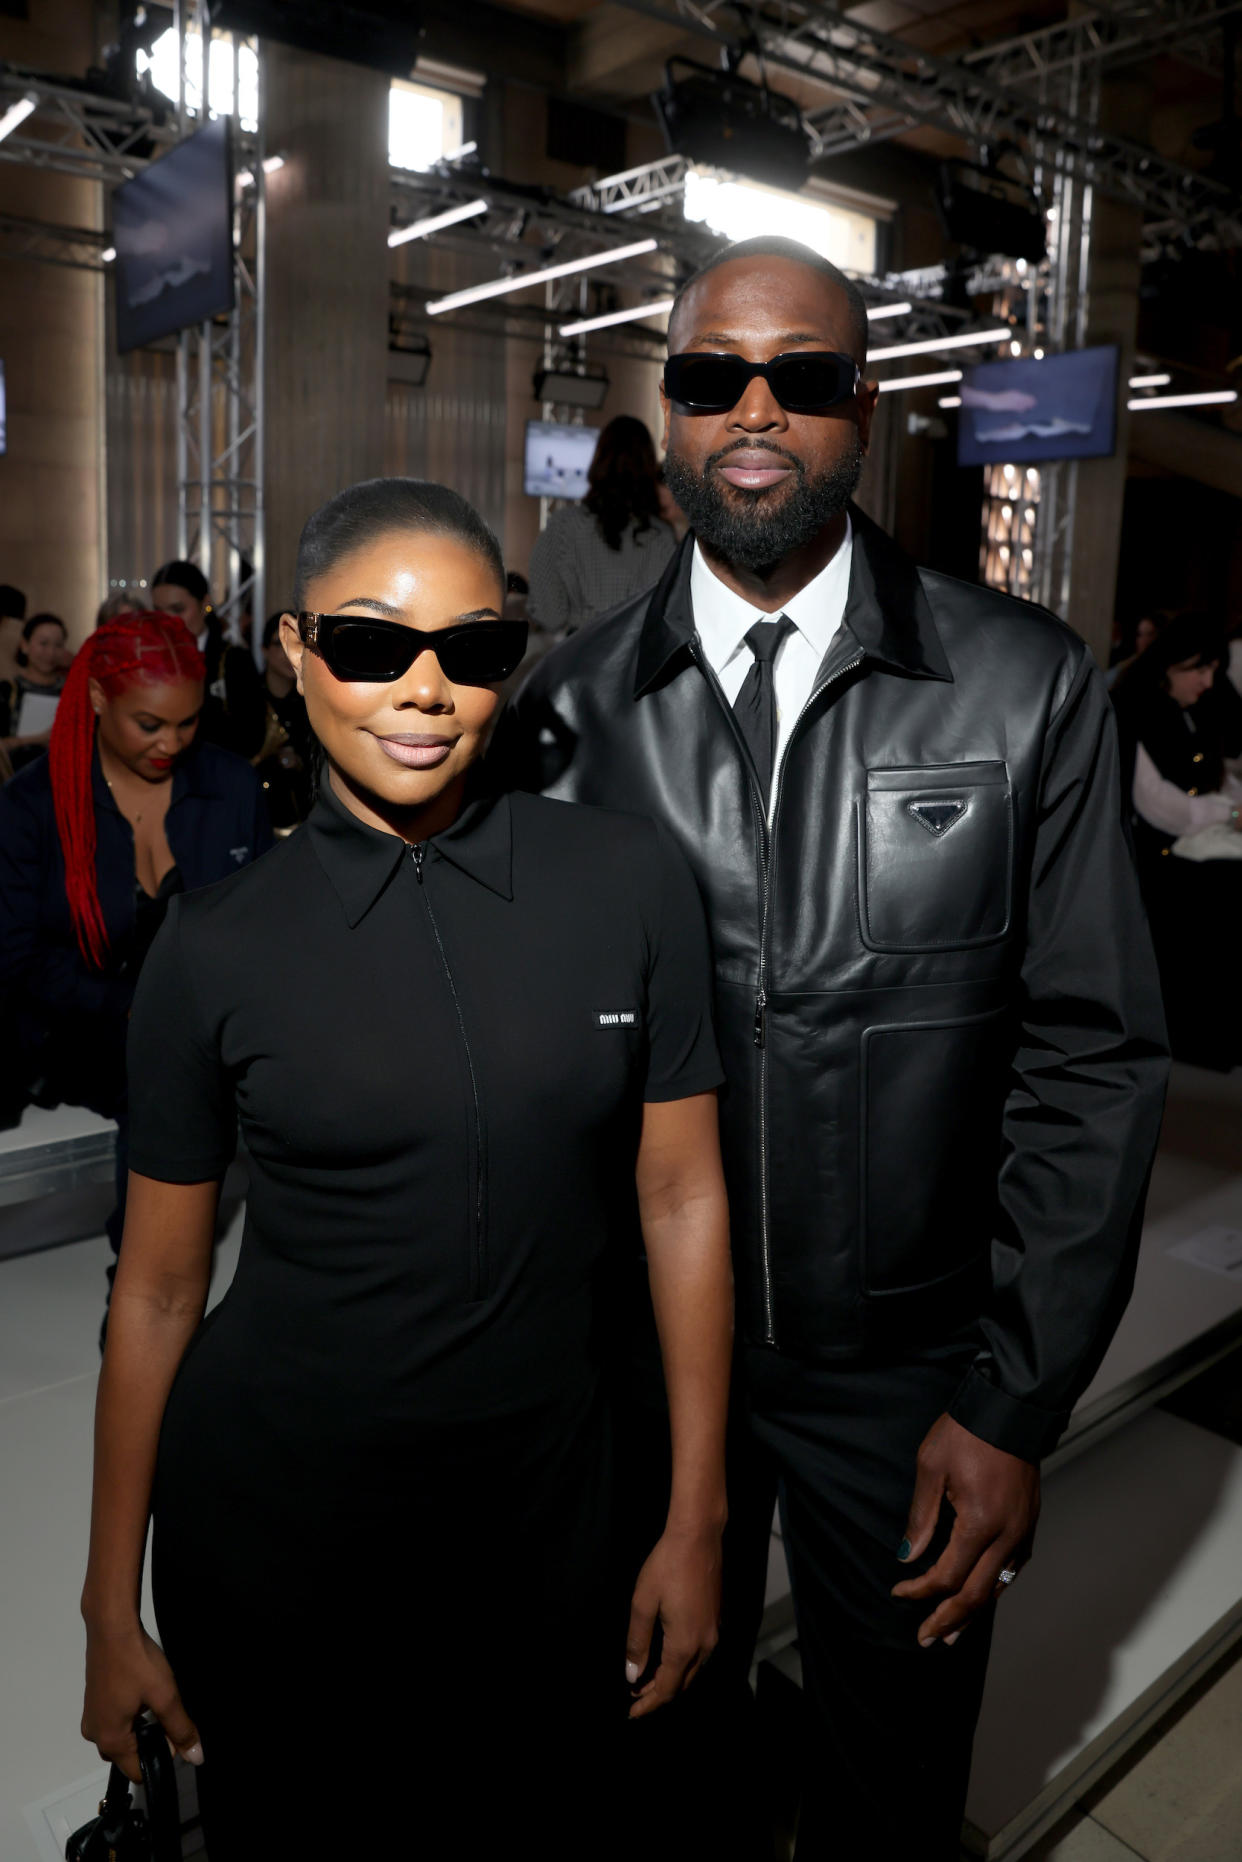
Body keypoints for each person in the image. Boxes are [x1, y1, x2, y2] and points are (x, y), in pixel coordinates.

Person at [492, 236, 1169, 1862]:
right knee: (649, 1779)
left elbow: (1089, 1061)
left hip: (914, 1384)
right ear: (668, 408)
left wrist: (1011, 1400)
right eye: (714, 375)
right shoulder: (563, 721)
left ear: (861, 403)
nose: (754, 412)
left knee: (890, 1797)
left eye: (800, 377)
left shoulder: (1022, 690)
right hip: (645, 1379)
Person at [78, 478, 733, 1861]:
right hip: (276, 1533)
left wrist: (695, 1510)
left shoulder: (625, 883)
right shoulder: (213, 946)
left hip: (554, 1526)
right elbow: (154, 1293)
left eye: (474, 649)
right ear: (294, 651)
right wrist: (106, 1607)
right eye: (374, 645)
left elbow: (679, 1198)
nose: (425, 690)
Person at [0, 614, 271, 1296]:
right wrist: (138, 1011)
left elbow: (267, 922)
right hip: (73, 1024)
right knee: (158, 1076)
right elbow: (18, 959)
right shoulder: (33, 805)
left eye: (186, 724)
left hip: (203, 1017)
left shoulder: (231, 786)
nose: (171, 744)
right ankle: (146, 1289)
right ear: (96, 699)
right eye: (148, 725)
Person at [1113, 609, 1242, 1069]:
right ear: (1173, 663)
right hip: (1154, 857)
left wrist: (1234, 805)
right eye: (1201, 669)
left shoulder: (1195, 711)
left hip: (1192, 841)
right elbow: (1159, 806)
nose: (1208, 681)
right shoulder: (1134, 709)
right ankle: (1200, 1035)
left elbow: (1216, 779)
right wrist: (1230, 812)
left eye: (1213, 671)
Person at [528, 415, 677, 635]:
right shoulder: (662, 537)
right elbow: (668, 615)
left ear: (598, 460)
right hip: (634, 661)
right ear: (648, 467)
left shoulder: (562, 526)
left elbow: (549, 614)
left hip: (577, 655)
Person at [150, 559, 262, 753]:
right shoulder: (148, 660)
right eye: (158, 611)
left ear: (205, 603)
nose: (168, 621)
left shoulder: (234, 660)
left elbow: (251, 738)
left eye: (178, 609)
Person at [227, 612, 316, 829]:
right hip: (251, 815)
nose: (290, 653)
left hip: (302, 819)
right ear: (264, 649)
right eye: (280, 644)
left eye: (299, 644)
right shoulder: (245, 700)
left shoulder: (313, 703)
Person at [0, 612, 68, 769]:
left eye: (58, 645)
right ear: (24, 645)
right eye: (43, 644)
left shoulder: (72, 692)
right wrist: (40, 739)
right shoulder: (8, 690)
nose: (50, 653)